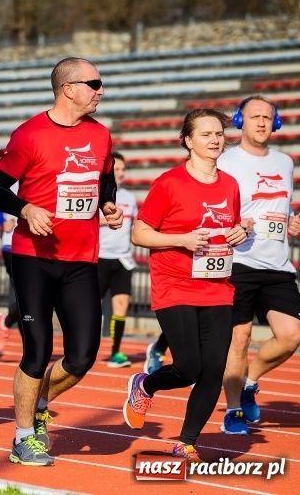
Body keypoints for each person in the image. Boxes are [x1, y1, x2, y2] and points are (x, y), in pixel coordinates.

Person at [0, 57, 121, 466]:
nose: (101, 90)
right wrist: (25, 209)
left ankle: (39, 402)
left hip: (82, 260)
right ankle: (24, 436)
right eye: (94, 83)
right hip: (35, 259)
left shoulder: (100, 135)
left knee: (82, 357)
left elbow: (105, 177)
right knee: (37, 352)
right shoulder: (29, 134)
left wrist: (109, 204)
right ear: (69, 89)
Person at [124, 108, 247, 461]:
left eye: (218, 134)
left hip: (217, 287)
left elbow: (230, 229)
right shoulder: (169, 182)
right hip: (175, 285)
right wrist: (183, 240)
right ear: (188, 141)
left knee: (213, 369)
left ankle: (187, 441)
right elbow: (139, 233)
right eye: (205, 134)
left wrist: (240, 232)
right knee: (189, 367)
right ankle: (145, 384)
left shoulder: (230, 185)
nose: (214, 139)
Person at [217, 96, 300, 435]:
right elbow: (213, 206)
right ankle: (234, 410)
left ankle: (249, 382)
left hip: (278, 264)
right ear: (241, 120)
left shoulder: (285, 162)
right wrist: (235, 224)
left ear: (276, 123)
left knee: (291, 336)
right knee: (240, 339)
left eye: (268, 117)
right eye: (255, 117)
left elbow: (281, 206)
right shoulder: (226, 160)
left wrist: (293, 220)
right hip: (240, 262)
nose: (262, 122)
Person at [97, 151, 138, 368]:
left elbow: (135, 226)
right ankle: (84, 347)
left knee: (121, 305)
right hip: (99, 257)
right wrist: (105, 221)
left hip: (123, 259)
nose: (120, 173)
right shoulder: (98, 195)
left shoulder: (130, 198)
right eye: (116, 169)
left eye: (123, 169)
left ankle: (115, 352)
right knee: (94, 307)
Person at [0, 198, 21, 353]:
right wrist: (2, 222)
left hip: (37, 246)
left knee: (34, 296)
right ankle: (6, 323)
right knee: (27, 294)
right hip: (12, 246)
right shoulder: (12, 182)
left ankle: (5, 323)